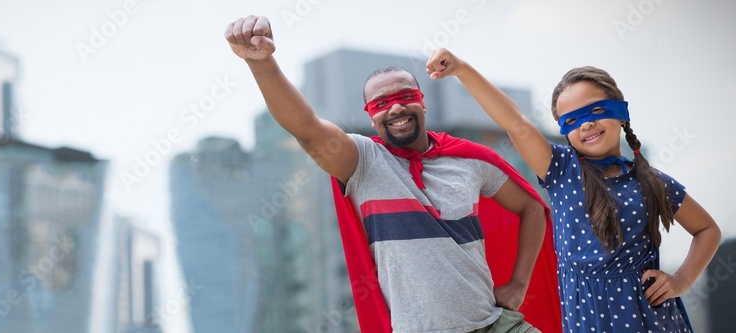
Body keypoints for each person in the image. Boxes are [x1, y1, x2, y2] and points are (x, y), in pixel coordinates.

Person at [225, 15, 561, 333]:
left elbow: (532, 208)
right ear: (370, 117)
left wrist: (518, 284)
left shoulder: (471, 158)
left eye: (405, 96)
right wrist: (261, 62)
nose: (395, 107)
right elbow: (307, 128)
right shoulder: (363, 161)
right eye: (381, 103)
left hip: (494, 325)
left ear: (422, 103)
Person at [424, 49, 722, 332]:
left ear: (621, 112)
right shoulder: (560, 169)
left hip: (657, 321)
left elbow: (707, 229)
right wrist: (462, 70)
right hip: (588, 321)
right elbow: (516, 123)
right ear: (565, 129)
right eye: (573, 119)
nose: (587, 123)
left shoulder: (653, 180)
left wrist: (682, 279)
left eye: (595, 110)